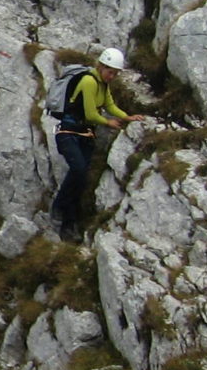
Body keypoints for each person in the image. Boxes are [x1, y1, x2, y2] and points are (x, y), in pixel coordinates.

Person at [51, 47, 143, 242]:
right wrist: (108, 122)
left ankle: (69, 220)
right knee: (79, 170)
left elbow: (109, 105)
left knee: (81, 178)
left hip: (84, 135)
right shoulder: (88, 81)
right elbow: (91, 113)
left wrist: (127, 117)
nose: (113, 76)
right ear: (101, 66)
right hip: (68, 133)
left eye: (116, 73)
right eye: (111, 72)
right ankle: (59, 207)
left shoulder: (103, 84)